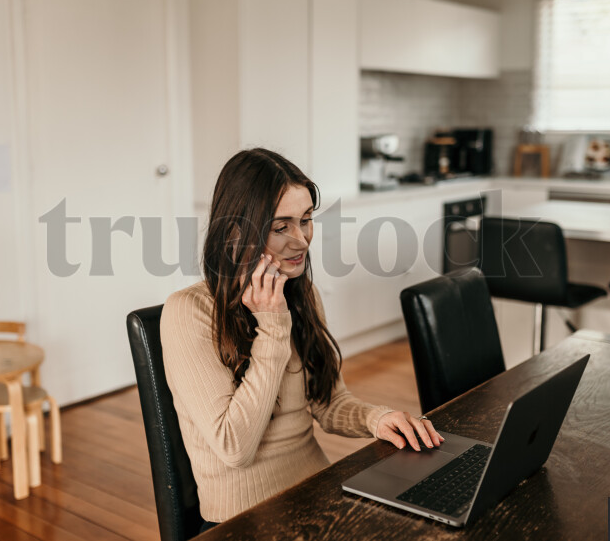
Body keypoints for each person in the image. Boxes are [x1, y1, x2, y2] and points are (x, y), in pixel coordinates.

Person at [161, 148, 444, 531]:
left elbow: (329, 403)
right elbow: (234, 447)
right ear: (235, 231)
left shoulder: (302, 293)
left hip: (318, 490)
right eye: (281, 227)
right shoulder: (188, 312)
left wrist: (378, 419)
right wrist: (273, 326)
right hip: (242, 519)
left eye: (306, 220)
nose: (302, 240)